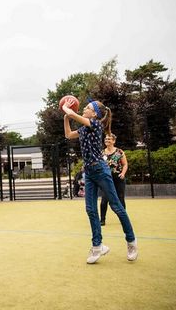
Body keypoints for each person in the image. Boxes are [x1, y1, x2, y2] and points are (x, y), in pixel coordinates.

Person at [63, 98, 137, 264]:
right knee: (90, 209)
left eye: (87, 108)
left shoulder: (96, 125)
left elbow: (74, 114)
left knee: (116, 206)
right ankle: (98, 246)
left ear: (94, 113)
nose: (84, 109)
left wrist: (68, 109)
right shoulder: (83, 129)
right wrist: (65, 117)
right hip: (89, 172)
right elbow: (68, 134)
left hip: (101, 170)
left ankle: (131, 242)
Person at [100, 133, 128, 226]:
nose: (107, 140)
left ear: (114, 141)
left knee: (120, 199)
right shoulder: (101, 153)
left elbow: (125, 164)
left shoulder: (119, 152)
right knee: (104, 200)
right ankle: (102, 220)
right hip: (106, 180)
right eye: (106, 139)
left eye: (109, 139)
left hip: (118, 179)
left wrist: (123, 173)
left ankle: (123, 218)